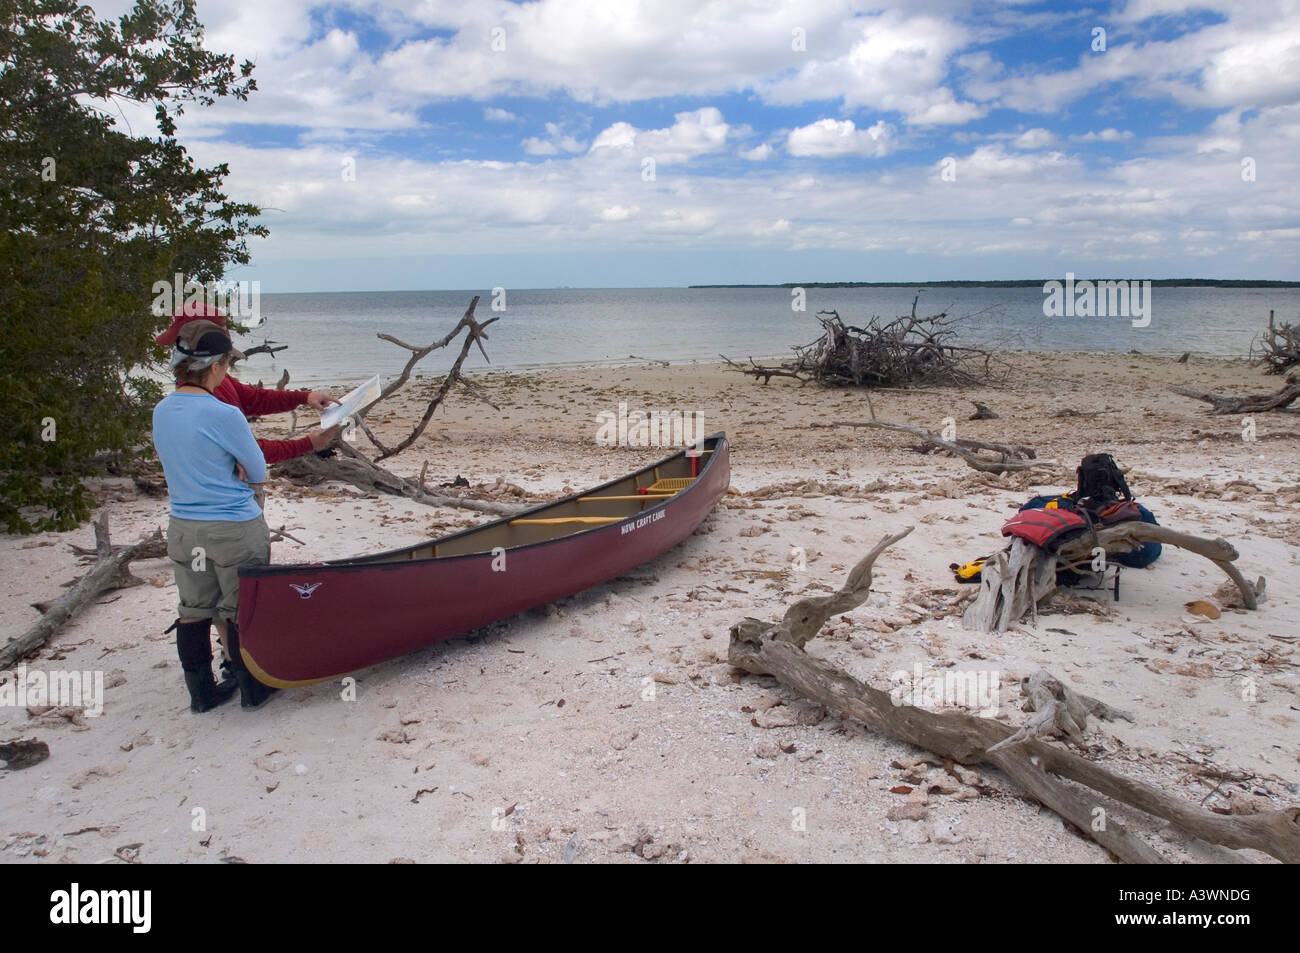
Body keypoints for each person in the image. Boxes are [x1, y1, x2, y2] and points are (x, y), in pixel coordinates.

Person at [152, 320, 276, 710]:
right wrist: (237, 467)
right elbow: (258, 471)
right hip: (234, 527)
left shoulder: (162, 410)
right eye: (228, 364)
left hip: (184, 527)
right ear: (218, 367)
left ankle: (201, 694)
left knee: (193, 611)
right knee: (241, 610)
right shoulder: (224, 414)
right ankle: (253, 687)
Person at [155, 303, 340, 463]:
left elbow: (254, 399)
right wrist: (309, 444)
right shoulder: (206, 394)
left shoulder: (205, 383)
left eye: (180, 339)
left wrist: (304, 397)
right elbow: (251, 453)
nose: (176, 346)